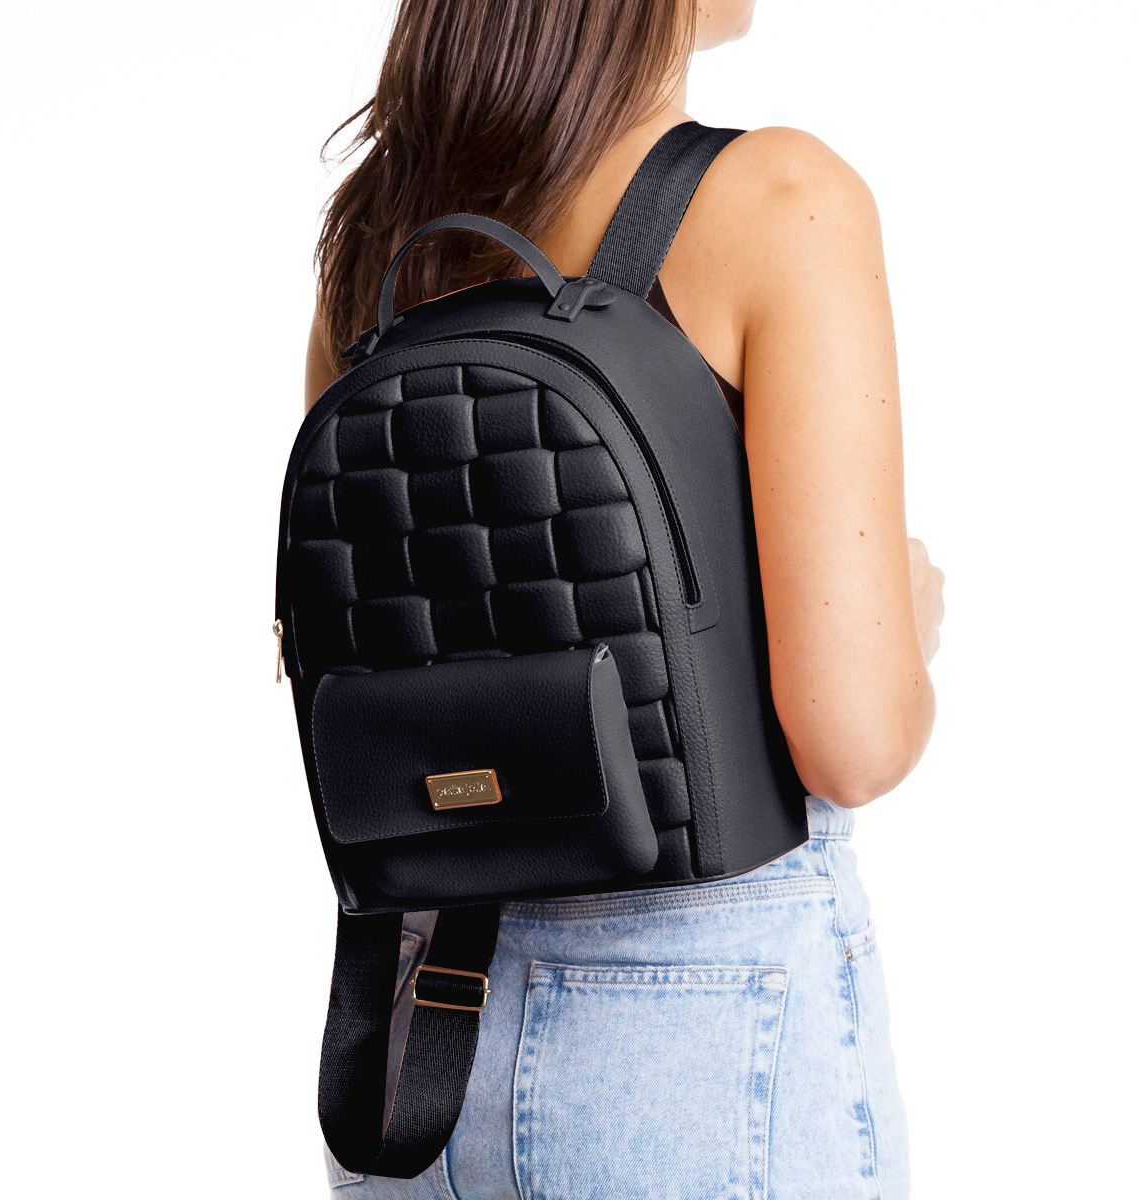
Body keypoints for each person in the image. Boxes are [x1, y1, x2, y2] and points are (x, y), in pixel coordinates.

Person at [303, 1, 944, 1196]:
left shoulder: (386, 233)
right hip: (699, 1024)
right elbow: (851, 742)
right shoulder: (779, 199)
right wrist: (904, 615)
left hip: (416, 1039)